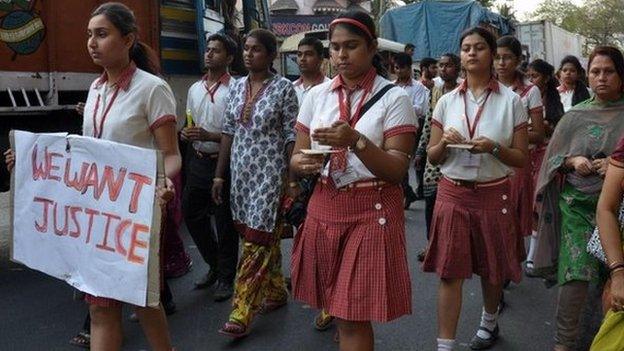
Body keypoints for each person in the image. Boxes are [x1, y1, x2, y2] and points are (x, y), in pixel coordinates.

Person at [5, 3, 181, 350]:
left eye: (102, 34)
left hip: (136, 217)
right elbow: (86, 157)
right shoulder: (96, 89)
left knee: (144, 303)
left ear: (128, 39)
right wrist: (28, 162)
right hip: (97, 222)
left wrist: (161, 184)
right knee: (100, 309)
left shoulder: (152, 89)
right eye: (89, 35)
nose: (91, 42)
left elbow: (171, 155)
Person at [290, 10, 416, 351]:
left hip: (372, 209)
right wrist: (303, 164)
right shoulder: (316, 96)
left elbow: (395, 171)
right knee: (338, 307)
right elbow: (297, 156)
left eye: (352, 46)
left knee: (351, 315)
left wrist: (355, 140)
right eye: (335, 47)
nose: (341, 55)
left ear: (372, 46)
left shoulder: (395, 98)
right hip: (325, 204)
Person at [423, 27, 528, 351]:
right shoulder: (446, 100)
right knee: (449, 272)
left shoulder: (512, 102)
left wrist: (494, 148)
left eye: (479, 47)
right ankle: (445, 345)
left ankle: (489, 322)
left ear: (492, 53)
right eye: (466, 48)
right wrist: (445, 144)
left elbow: (521, 158)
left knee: (492, 267)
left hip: (494, 191)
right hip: (452, 192)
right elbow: (432, 154)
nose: (471, 53)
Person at [534, 46, 624, 351]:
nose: (601, 78)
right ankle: (563, 344)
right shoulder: (575, 116)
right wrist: (573, 161)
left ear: (621, 75)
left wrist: (613, 165)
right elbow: (552, 160)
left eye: (609, 71)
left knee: (612, 288)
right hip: (578, 211)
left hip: (619, 212)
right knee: (574, 279)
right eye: (595, 71)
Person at [212, 28, 299, 338]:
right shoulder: (235, 87)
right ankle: (275, 291)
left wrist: (291, 180)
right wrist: (220, 175)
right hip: (242, 175)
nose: (249, 54)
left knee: (256, 240)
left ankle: (241, 310)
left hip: (270, 174)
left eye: (256, 49)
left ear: (271, 55)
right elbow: (228, 132)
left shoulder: (284, 89)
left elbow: (292, 136)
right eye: (246, 48)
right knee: (261, 236)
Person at [181, 33, 239, 301]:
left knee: (224, 221)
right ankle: (215, 264)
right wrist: (187, 133)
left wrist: (209, 136)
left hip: (224, 164)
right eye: (208, 49)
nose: (209, 54)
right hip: (198, 161)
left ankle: (226, 277)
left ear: (228, 58)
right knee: (191, 213)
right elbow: (190, 123)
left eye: (216, 51)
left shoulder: (237, 89)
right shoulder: (194, 89)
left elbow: (240, 133)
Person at [495, 36, 546, 255]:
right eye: (497, 57)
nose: (501, 63)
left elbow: (539, 133)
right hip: (489, 159)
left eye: (507, 58)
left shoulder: (530, 91)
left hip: (516, 162)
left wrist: (506, 139)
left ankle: (508, 261)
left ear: (517, 60)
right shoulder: (486, 87)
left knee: (511, 216)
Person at [415, 52, 461, 261]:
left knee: (454, 203)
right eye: (441, 66)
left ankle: (451, 244)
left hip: (459, 151)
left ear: (458, 68)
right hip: (436, 150)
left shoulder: (464, 90)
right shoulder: (436, 89)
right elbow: (429, 123)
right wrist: (420, 151)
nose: (443, 69)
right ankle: (431, 244)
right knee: (431, 197)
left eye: (448, 65)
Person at [525, 59, 565, 276]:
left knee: (537, 203)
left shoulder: (552, 100)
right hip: (524, 155)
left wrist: (545, 127)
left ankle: (534, 254)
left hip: (545, 155)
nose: (531, 80)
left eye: (536, 76)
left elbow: (554, 128)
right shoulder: (522, 94)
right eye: (529, 76)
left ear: (547, 78)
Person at [394, 52, 430, 208]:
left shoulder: (418, 88)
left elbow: (421, 109)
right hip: (393, 130)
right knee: (399, 163)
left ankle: (407, 193)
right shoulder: (391, 86)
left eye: (402, 68)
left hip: (412, 130)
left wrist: (401, 106)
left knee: (404, 162)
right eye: (396, 68)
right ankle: (408, 193)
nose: (399, 71)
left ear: (409, 68)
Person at [294, 36, 331, 105]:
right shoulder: (292, 87)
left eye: (308, 54)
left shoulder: (330, 88)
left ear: (320, 58)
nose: (302, 59)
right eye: (299, 54)